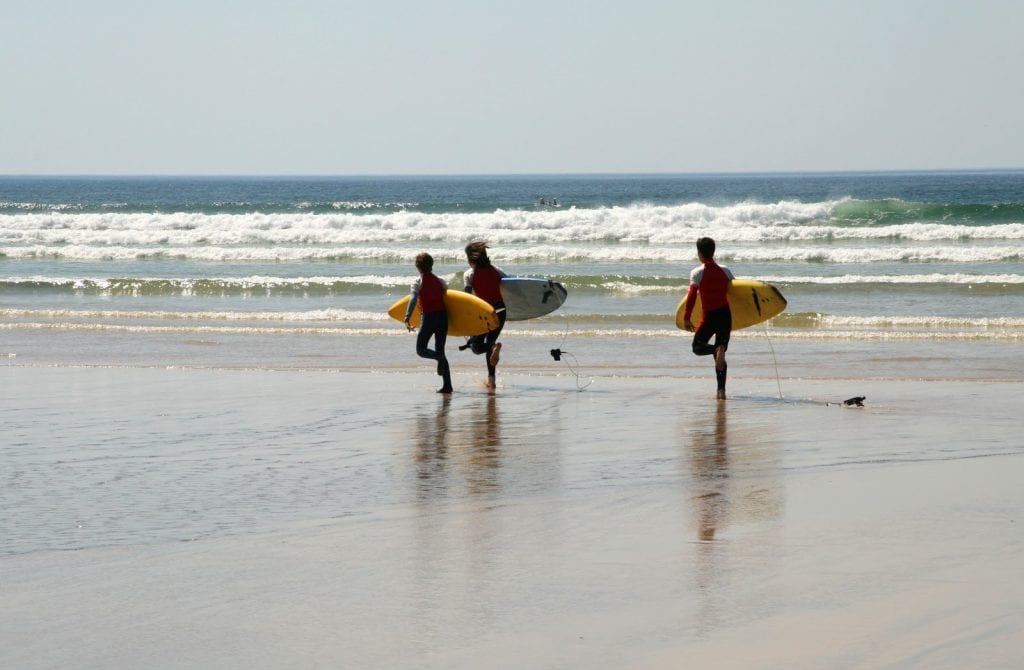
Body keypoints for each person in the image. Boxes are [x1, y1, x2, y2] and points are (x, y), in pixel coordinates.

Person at [682, 237, 735, 399]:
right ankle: (721, 391)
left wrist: (686, 317)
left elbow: (691, 296)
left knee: (697, 347)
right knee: (721, 355)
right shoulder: (725, 271)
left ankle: (714, 349)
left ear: (699, 253)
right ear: (714, 252)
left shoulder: (697, 272)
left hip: (710, 316)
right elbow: (736, 292)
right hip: (725, 315)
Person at [404, 252, 453, 393]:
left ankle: (439, 358)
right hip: (443, 317)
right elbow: (449, 298)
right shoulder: (441, 281)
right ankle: (447, 385)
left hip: (428, 317)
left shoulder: (417, 282)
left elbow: (413, 299)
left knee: (421, 349)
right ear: (432, 265)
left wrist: (407, 317)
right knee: (440, 350)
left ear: (417, 267)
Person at [462, 240, 507, 388]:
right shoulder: (497, 270)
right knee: (490, 342)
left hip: (483, 314)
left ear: (470, 259)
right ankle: (491, 380)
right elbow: (511, 284)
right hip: (500, 311)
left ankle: (493, 348)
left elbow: (467, 298)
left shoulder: (469, 274)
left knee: (476, 347)